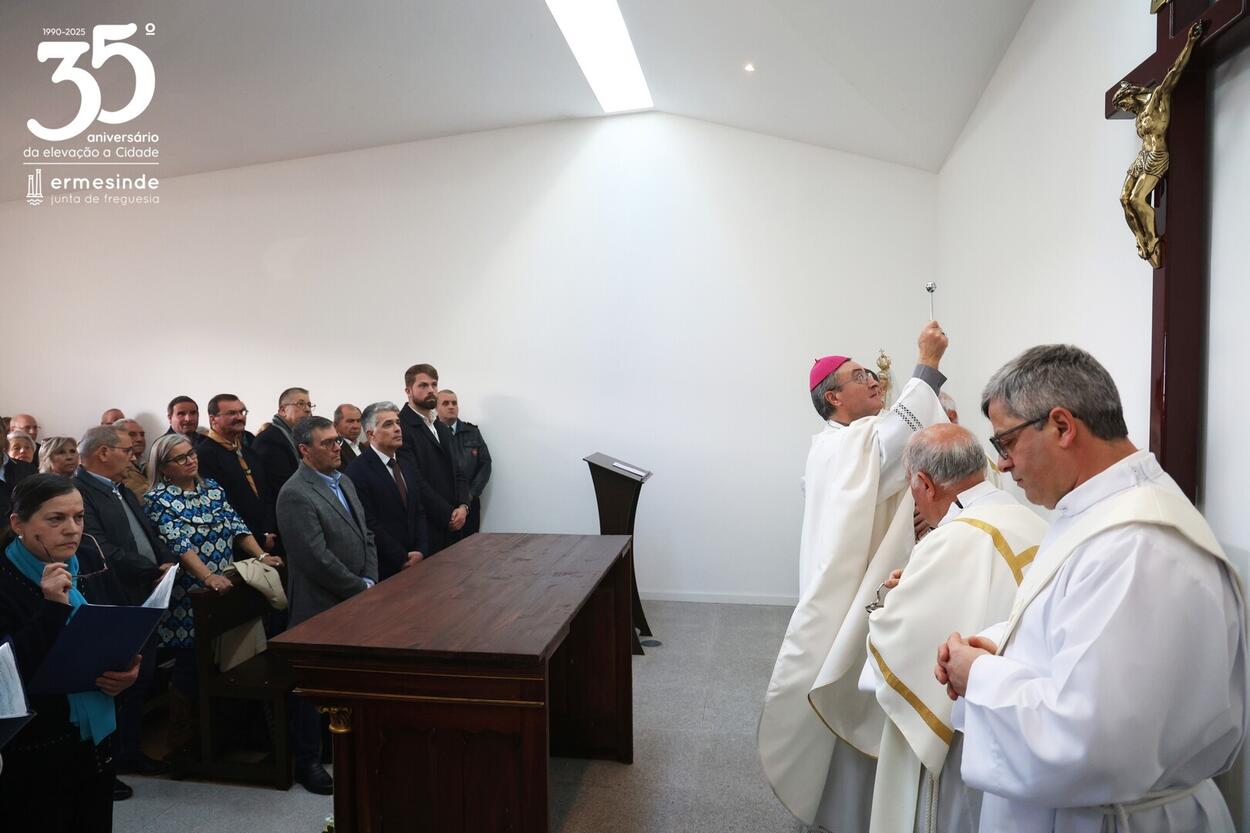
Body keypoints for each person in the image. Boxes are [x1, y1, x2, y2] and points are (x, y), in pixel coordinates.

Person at [936, 345, 1246, 832]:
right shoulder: (1099, 512)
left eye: (1006, 442)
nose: (1003, 464)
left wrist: (980, 676)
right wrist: (1005, 647)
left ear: (1062, 426)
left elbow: (1089, 741)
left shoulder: (1136, 545)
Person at [758, 321, 949, 831]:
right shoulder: (842, 446)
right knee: (851, 688)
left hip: (865, 579)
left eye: (871, 373)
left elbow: (894, 465)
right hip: (853, 590)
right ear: (834, 397)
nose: (873, 380)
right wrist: (927, 364)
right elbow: (894, 444)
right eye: (860, 375)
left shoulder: (850, 442)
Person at [861, 424, 1047, 833]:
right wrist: (916, 581)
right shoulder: (1028, 518)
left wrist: (890, 601)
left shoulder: (952, 538)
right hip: (1026, 719)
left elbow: (900, 637)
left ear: (925, 484)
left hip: (969, 732)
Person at [0, 475, 141, 829]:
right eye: (56, 519)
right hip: (35, 747)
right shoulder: (6, 579)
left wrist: (127, 671)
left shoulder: (89, 559)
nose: (71, 529)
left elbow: (119, 623)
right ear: (18, 524)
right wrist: (52, 606)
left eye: (78, 517)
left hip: (94, 738)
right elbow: (9, 671)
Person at [143, 434, 279, 753]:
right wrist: (207, 576)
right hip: (189, 592)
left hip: (225, 584)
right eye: (180, 458)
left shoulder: (212, 488)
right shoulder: (157, 499)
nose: (190, 460)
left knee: (225, 658)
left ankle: (224, 733)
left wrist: (261, 556)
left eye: (191, 453)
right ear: (163, 468)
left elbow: (236, 525)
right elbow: (179, 543)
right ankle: (185, 741)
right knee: (191, 661)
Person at [276, 416, 377, 795]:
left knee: (346, 678)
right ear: (305, 450)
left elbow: (366, 533)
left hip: (355, 596)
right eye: (328, 443)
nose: (338, 447)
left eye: (337, 440)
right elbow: (314, 558)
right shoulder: (295, 493)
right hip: (319, 604)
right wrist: (358, 587)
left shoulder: (343, 480)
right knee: (312, 687)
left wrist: (370, 579)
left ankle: (340, 744)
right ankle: (309, 761)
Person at [74, 425, 177, 776]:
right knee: (114, 681)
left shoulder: (120, 489)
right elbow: (99, 547)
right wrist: (152, 567)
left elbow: (149, 533)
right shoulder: (79, 492)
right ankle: (109, 764)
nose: (133, 457)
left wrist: (166, 560)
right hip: (114, 596)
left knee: (140, 677)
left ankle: (130, 752)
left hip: (142, 593)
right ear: (103, 452)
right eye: (126, 450)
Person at [346, 402, 429, 580]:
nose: (397, 429)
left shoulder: (405, 464)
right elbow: (369, 522)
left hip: (417, 559)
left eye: (397, 423)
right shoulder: (357, 470)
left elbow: (418, 510)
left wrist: (421, 549)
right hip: (386, 566)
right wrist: (402, 557)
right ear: (371, 434)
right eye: (388, 424)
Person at [399, 365, 468, 554]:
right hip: (429, 525)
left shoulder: (439, 425)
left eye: (434, 384)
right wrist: (448, 514)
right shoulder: (402, 427)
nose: (431, 390)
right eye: (423, 385)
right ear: (408, 391)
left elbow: (459, 470)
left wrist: (463, 506)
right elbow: (415, 480)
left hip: (456, 519)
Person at [196, 394, 278, 552]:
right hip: (235, 544)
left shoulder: (249, 452)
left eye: (242, 412)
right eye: (232, 413)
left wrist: (268, 531)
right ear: (213, 419)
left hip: (268, 536)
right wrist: (258, 538)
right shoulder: (203, 456)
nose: (240, 417)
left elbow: (266, 493)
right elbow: (221, 505)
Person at [437, 389, 491, 535]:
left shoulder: (472, 432)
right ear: (436, 407)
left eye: (454, 403)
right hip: (442, 504)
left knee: (471, 545)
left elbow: (485, 464)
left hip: (470, 503)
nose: (451, 406)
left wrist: (471, 493)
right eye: (445, 403)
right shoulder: (431, 434)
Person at [253, 387, 312, 497]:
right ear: (283, 410)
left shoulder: (299, 438)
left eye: (309, 405)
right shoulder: (270, 440)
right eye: (301, 404)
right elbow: (284, 487)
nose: (308, 409)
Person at [113, 420, 148, 501]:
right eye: (132, 434)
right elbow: (140, 495)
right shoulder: (118, 469)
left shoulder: (145, 463)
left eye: (142, 434)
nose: (140, 439)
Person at [333, 404, 363, 469]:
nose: (356, 426)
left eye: (358, 421)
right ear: (336, 425)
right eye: (350, 421)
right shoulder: (333, 449)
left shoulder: (364, 447)